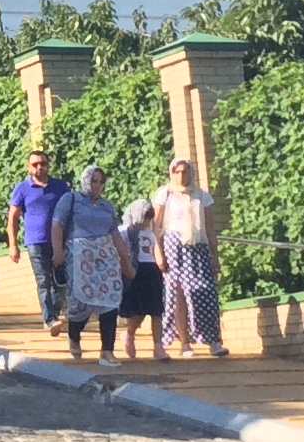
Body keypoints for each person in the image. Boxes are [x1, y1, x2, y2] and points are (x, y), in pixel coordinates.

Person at [51, 165, 132, 368]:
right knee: (80, 302)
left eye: (99, 181)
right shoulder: (70, 200)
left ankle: (107, 351)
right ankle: (74, 334)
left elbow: (115, 234)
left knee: (110, 300)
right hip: (79, 255)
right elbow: (57, 225)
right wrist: (57, 252)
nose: (95, 185)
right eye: (92, 180)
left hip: (105, 256)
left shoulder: (107, 206)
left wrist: (126, 261)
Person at [156, 156, 228, 357]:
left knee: (206, 292)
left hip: (197, 246)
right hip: (173, 246)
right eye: (177, 172)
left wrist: (215, 256)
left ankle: (213, 340)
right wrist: (158, 252)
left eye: (184, 171)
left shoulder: (201, 196)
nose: (181, 176)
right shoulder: (165, 194)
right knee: (177, 294)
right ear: (172, 173)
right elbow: (156, 226)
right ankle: (184, 343)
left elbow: (210, 229)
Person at [6, 149, 71, 329]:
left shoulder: (60, 187)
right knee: (43, 280)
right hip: (35, 241)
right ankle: (49, 319)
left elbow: (70, 211)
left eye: (43, 163)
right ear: (28, 167)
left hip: (59, 241)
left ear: (48, 165)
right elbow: (12, 216)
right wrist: (13, 244)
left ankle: (54, 313)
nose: (39, 167)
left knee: (60, 280)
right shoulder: (22, 188)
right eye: (35, 164)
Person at [118, 194, 165, 360]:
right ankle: (130, 335)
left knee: (156, 311)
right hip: (136, 271)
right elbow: (120, 250)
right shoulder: (124, 231)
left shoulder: (150, 234)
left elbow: (156, 251)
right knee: (139, 311)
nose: (147, 221)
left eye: (149, 217)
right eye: (145, 216)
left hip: (151, 271)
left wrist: (161, 265)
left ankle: (158, 347)